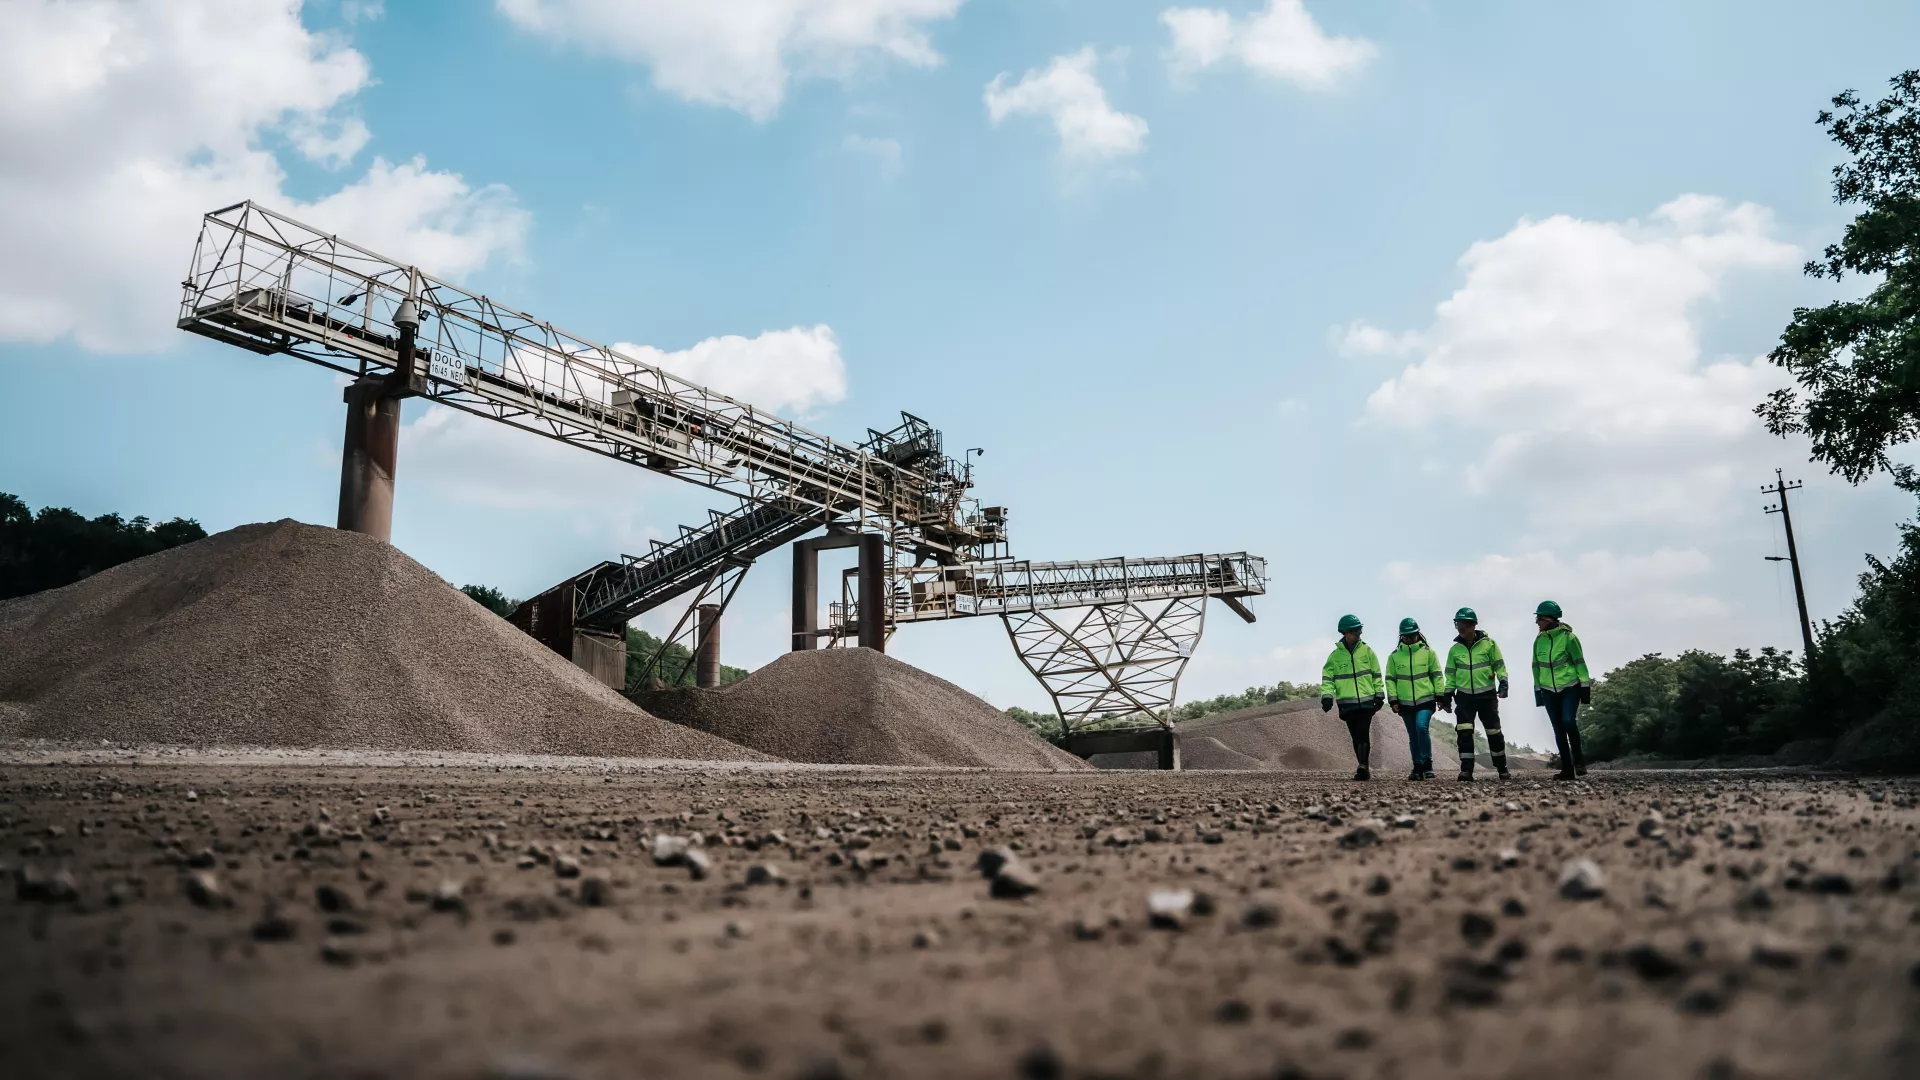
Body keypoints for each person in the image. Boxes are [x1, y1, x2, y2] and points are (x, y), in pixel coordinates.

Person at [1444, 607, 1510, 782]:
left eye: (1463, 625)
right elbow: (1450, 675)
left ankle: (1502, 768)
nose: (1460, 628)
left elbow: (1500, 666)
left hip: (1487, 696)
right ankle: (1466, 770)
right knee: (1464, 734)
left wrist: (1503, 682)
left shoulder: (1489, 644)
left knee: (1494, 732)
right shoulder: (1454, 650)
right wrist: (1447, 694)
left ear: (1473, 625)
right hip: (1464, 697)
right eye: (1457, 624)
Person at [1531, 600, 1590, 780]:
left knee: (1568, 721)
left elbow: (1580, 663)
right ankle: (1567, 769)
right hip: (1548, 690)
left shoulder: (1569, 638)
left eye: (1539, 619)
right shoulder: (1539, 641)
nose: (1537, 623)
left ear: (1549, 619)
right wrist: (1538, 692)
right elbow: (1536, 668)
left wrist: (1585, 688)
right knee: (1558, 729)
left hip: (1570, 687)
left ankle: (1578, 760)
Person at [1321, 614, 1385, 781]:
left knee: (1363, 732)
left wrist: (1379, 695)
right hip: (1347, 704)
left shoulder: (1368, 652)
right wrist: (1327, 697)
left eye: (1360, 630)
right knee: (1356, 736)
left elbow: (1377, 675)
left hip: (1366, 702)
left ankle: (1363, 766)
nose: (1358, 634)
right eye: (1355, 631)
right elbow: (1328, 679)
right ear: (1345, 632)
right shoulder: (1334, 657)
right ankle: (1363, 765)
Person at [1384, 617, 1445, 780]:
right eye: (1406, 636)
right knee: (1412, 734)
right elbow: (1390, 679)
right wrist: (1393, 700)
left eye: (1412, 635)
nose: (1410, 639)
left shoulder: (1428, 653)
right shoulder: (1394, 657)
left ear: (1418, 634)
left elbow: (1437, 675)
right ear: (1401, 636)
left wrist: (1440, 695)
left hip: (1426, 699)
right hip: (1405, 702)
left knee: (1421, 727)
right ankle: (1417, 767)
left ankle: (1427, 763)